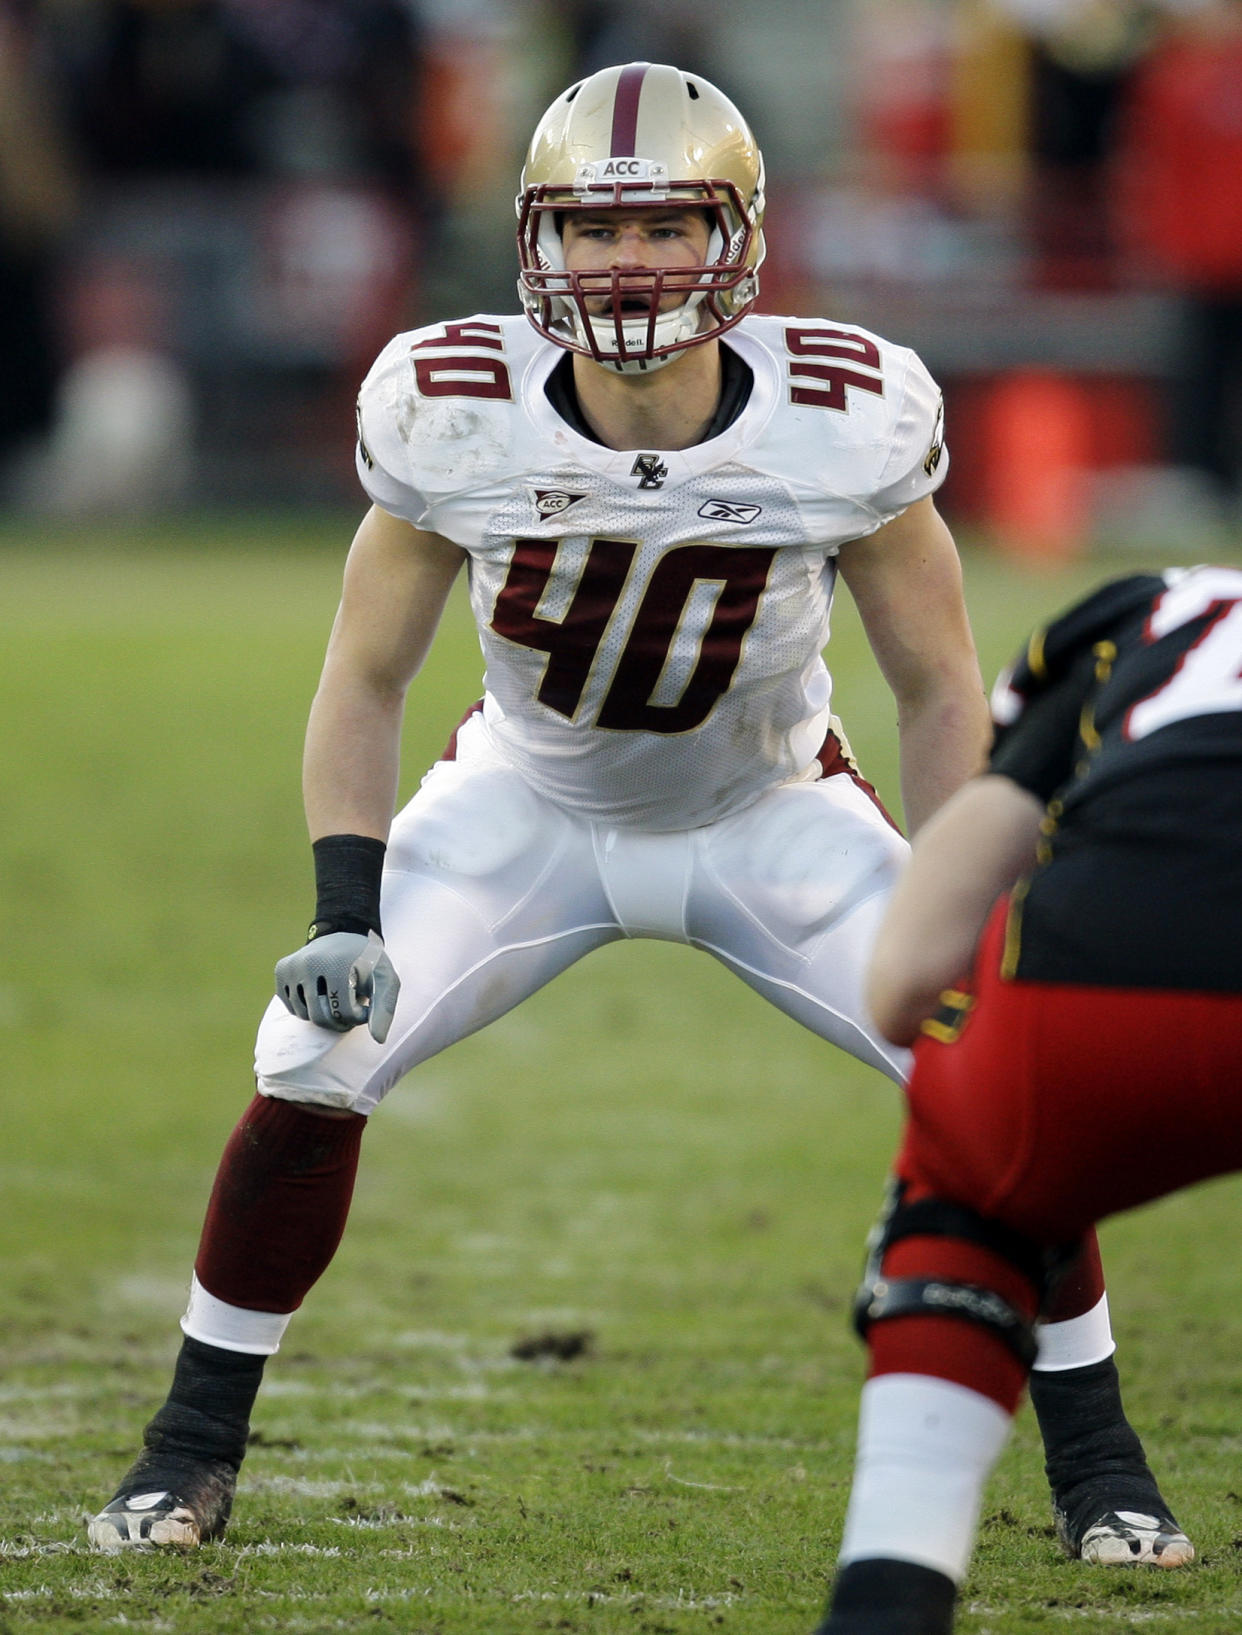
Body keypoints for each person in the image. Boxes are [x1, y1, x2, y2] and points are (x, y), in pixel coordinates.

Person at [87, 61, 1184, 1569]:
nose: (625, 263)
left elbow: (938, 689)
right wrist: (343, 905)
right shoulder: (451, 406)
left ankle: (1101, 1463)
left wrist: (961, 902)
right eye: (589, 230)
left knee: (1000, 1075)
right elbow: (363, 675)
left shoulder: (841, 413)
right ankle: (187, 1448)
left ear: (735, 233)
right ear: (535, 242)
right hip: (525, 803)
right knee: (311, 1050)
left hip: (772, 808)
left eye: (662, 222)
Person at [815, 563, 1242, 1633]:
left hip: (1110, 977)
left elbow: (914, 973)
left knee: (969, 1196)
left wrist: (963, 1087)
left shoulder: (1157, 608)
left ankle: (890, 1591)